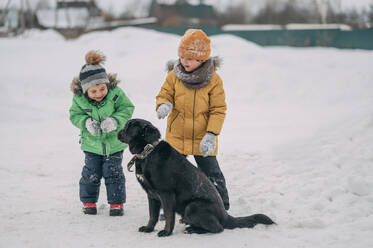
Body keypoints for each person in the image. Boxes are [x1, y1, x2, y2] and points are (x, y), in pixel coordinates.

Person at [155, 29, 230, 210]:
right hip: (177, 135)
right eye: (182, 57)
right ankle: (169, 206)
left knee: (211, 172)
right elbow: (164, 94)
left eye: (189, 58)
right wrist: (164, 104)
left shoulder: (214, 80)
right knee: (170, 172)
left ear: (202, 59)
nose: (184, 61)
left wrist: (212, 134)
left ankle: (221, 205)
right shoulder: (174, 76)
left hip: (203, 137)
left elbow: (218, 109)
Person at [69, 51, 134, 216]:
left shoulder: (116, 94)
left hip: (114, 144)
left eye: (102, 88)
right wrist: (85, 123)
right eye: (93, 91)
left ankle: (116, 204)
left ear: (107, 84)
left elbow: (127, 108)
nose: (99, 94)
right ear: (85, 91)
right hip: (91, 144)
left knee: (113, 173)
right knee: (91, 174)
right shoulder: (79, 100)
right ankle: (89, 202)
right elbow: (75, 115)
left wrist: (115, 121)